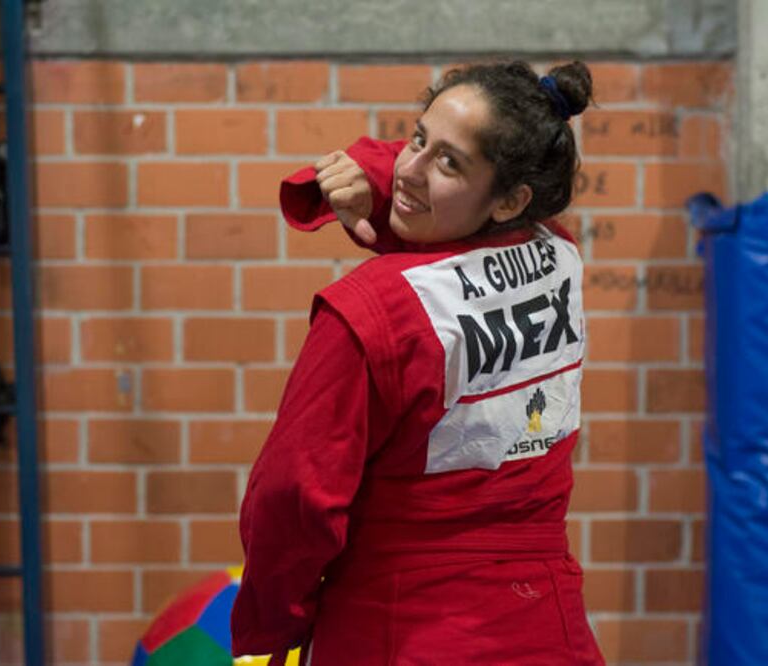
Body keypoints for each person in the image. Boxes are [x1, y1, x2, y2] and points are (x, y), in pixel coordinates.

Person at [232, 60, 604, 665]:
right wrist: (385, 179)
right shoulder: (558, 253)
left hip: (398, 628)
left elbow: (293, 497)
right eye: (417, 138)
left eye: (448, 162)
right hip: (546, 624)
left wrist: (269, 630)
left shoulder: (372, 313)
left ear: (512, 199)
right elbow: (469, 244)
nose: (410, 166)